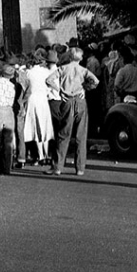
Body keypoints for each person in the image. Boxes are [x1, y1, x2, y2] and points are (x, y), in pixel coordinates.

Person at [45, 48, 99, 176]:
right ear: (80, 58)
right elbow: (96, 81)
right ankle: (80, 168)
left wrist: (59, 90)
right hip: (80, 101)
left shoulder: (63, 69)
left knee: (64, 134)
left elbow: (48, 80)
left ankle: (58, 167)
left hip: (67, 100)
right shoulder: (83, 70)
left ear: (69, 56)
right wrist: (85, 88)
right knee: (81, 135)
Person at [22, 52, 55, 165]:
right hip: (43, 100)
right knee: (45, 126)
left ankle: (39, 155)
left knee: (34, 127)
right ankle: (46, 154)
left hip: (32, 99)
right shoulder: (46, 72)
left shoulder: (28, 73)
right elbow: (51, 85)